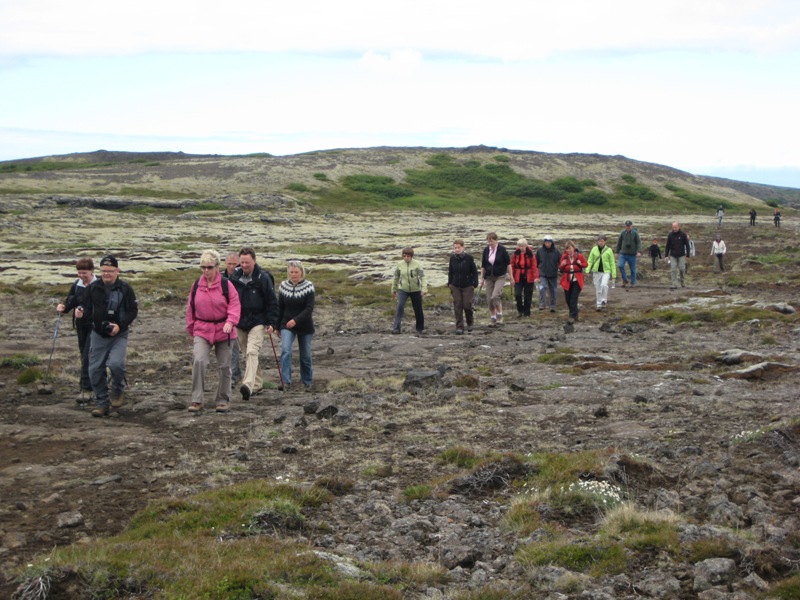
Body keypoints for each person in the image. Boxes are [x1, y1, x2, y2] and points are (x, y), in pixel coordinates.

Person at [76, 255, 138, 417]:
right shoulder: (93, 288)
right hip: (98, 334)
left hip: (119, 334)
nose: (106, 274)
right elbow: (85, 306)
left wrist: (120, 326)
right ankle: (102, 403)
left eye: (110, 271)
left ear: (117, 271)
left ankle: (117, 390)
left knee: (116, 364)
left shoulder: (125, 288)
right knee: (95, 369)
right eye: (103, 271)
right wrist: (80, 311)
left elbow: (133, 311)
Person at [185, 250, 241, 413]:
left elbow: (235, 305)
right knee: (199, 361)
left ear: (217, 267)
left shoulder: (226, 285)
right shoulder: (196, 285)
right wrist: (192, 329)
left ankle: (223, 400)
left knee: (224, 365)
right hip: (202, 329)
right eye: (203, 267)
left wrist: (230, 322)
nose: (206, 271)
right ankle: (197, 400)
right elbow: (190, 308)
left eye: (209, 267)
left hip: (224, 330)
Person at [229, 247, 278, 401]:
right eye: (242, 262)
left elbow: (272, 302)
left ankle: (247, 385)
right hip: (239, 322)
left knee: (252, 352)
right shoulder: (234, 277)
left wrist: (272, 323)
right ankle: (257, 384)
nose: (244, 265)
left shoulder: (263, 277)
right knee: (247, 354)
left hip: (258, 321)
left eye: (247, 262)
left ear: (254, 261)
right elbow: (229, 300)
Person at [56, 257, 98, 402]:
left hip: (96, 326)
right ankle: (89, 386)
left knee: (88, 355)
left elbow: (101, 306)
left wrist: (85, 312)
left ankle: (87, 389)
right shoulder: (77, 284)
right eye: (79, 272)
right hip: (81, 326)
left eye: (84, 273)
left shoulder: (99, 285)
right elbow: (71, 300)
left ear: (92, 271)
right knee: (84, 355)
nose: (81, 275)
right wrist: (63, 307)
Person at [277, 260, 315, 392]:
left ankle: (307, 381)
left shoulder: (308, 286)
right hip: (286, 324)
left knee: (305, 355)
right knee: (285, 350)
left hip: (305, 325)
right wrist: (277, 326)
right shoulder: (283, 286)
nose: (293, 274)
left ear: (301, 272)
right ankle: (285, 381)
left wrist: (296, 320)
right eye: (291, 272)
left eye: (296, 272)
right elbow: (280, 307)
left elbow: (309, 308)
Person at [391, 247, 427, 334]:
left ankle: (420, 329)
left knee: (418, 309)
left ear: (411, 256)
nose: (406, 258)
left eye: (408, 256)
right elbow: (396, 277)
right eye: (404, 256)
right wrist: (394, 289)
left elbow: (423, 277)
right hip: (403, 289)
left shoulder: (417, 264)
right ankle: (396, 328)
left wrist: (424, 288)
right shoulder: (399, 265)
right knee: (400, 306)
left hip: (416, 290)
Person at [480, 232, 512, 326]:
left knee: (495, 296)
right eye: (489, 241)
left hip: (500, 276)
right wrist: (481, 278)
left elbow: (508, 264)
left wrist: (511, 276)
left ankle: (499, 315)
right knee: (489, 299)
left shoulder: (502, 249)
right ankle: (493, 317)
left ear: (496, 240)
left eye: (492, 241)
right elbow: (483, 265)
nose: (490, 243)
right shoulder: (486, 250)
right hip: (489, 277)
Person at [447, 239, 479, 334]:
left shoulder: (469, 258)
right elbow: (450, 272)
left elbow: (474, 272)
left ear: (463, 247)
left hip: (467, 285)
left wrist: (475, 283)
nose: (457, 250)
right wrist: (449, 283)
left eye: (458, 247)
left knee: (467, 304)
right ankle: (459, 326)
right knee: (458, 304)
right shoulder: (452, 258)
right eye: (455, 248)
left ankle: (470, 322)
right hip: (455, 285)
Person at [222, 251, 242, 384]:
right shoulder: (220, 278)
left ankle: (236, 373)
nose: (232, 267)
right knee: (232, 345)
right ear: (225, 263)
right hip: (225, 316)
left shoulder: (243, 277)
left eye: (234, 264)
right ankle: (234, 374)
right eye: (229, 264)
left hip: (241, 314)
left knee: (241, 347)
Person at [558, 241, 588, 320]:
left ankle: (571, 316)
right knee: (568, 299)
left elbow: (586, 264)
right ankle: (575, 313)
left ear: (573, 248)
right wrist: (562, 265)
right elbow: (560, 268)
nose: (568, 250)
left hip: (577, 280)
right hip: (567, 280)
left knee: (573, 299)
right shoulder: (564, 257)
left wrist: (580, 263)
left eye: (570, 248)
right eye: (567, 249)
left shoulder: (579, 256)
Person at [586, 236, 617, 311]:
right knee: (598, 289)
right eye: (599, 241)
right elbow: (590, 260)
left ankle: (604, 301)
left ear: (605, 242)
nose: (600, 242)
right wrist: (588, 270)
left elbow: (612, 263)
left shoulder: (609, 250)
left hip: (606, 271)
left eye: (602, 241)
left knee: (604, 285)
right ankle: (599, 305)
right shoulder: (594, 249)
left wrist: (613, 275)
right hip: (596, 272)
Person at [511, 238, 539, 318]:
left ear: (526, 246)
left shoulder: (531, 254)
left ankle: (527, 312)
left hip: (529, 276)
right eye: (519, 246)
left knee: (528, 295)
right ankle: (520, 310)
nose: (521, 248)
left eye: (522, 246)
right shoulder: (515, 254)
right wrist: (511, 276)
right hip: (518, 276)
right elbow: (512, 265)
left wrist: (536, 277)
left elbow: (534, 266)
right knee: (517, 294)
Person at [535, 235, 560, 312]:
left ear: (551, 243)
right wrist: (536, 275)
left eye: (549, 242)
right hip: (542, 274)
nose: (547, 244)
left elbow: (560, 261)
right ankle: (542, 304)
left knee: (553, 290)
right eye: (546, 242)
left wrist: (561, 270)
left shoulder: (556, 251)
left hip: (553, 274)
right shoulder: (540, 251)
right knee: (542, 288)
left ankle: (552, 306)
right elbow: (536, 263)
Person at [615, 220, 641, 287]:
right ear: (625, 226)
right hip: (623, 253)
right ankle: (625, 279)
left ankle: (633, 283)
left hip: (632, 254)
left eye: (629, 226)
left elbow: (638, 243)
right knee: (620, 265)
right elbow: (619, 242)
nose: (628, 227)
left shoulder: (635, 233)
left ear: (632, 226)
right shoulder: (622, 233)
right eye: (627, 226)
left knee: (633, 270)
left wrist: (639, 251)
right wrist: (617, 252)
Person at [664, 222, 690, 290]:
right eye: (673, 227)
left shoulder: (683, 235)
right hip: (673, 255)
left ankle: (682, 282)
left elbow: (687, 245)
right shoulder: (670, 235)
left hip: (681, 255)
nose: (674, 228)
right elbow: (667, 246)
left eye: (675, 227)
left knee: (682, 269)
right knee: (673, 269)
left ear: (678, 227)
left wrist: (688, 255)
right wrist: (666, 255)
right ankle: (674, 284)